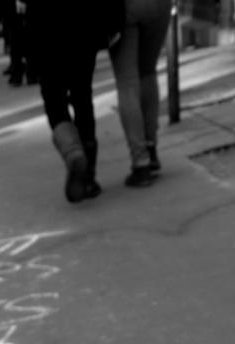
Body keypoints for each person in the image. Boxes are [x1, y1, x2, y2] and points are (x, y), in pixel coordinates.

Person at [25, 0, 108, 200]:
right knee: (82, 97)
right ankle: (89, 175)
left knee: (54, 101)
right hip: (83, 27)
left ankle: (73, 153)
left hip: (46, 30)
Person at [109, 0, 170, 185]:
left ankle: (140, 161)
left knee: (127, 82)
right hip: (159, 5)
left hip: (125, 7)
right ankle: (150, 147)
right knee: (148, 72)